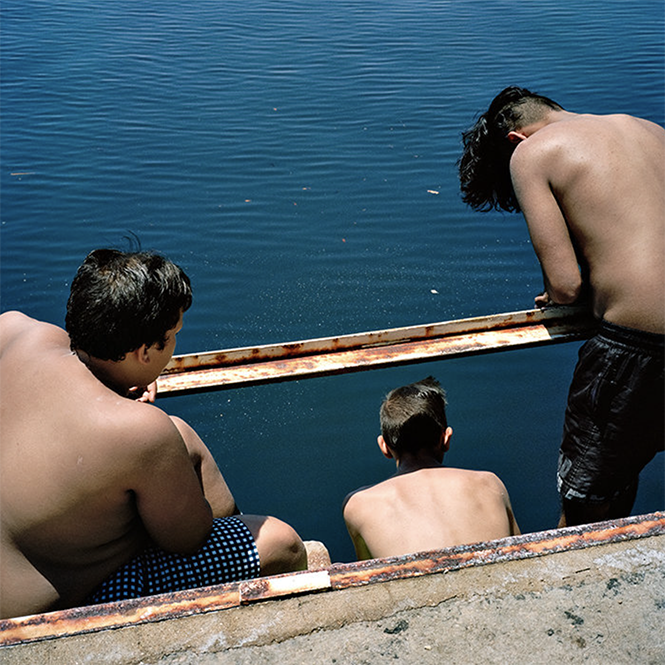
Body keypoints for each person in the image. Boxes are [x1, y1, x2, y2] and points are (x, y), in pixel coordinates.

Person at [0, 249, 306, 620]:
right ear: (144, 351)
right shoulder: (141, 431)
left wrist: (113, 395)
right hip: (44, 618)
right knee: (280, 542)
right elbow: (187, 539)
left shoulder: (13, 329)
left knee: (169, 443)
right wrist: (130, 416)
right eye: (174, 336)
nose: (176, 345)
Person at [458, 86, 665, 527]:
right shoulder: (649, 130)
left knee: (586, 498)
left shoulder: (531, 153)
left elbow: (566, 284)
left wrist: (557, 293)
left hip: (640, 341)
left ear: (515, 140)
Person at [342, 377, 520, 560]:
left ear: (384, 447)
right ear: (446, 439)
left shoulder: (358, 504)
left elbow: (368, 574)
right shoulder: (490, 483)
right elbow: (522, 552)